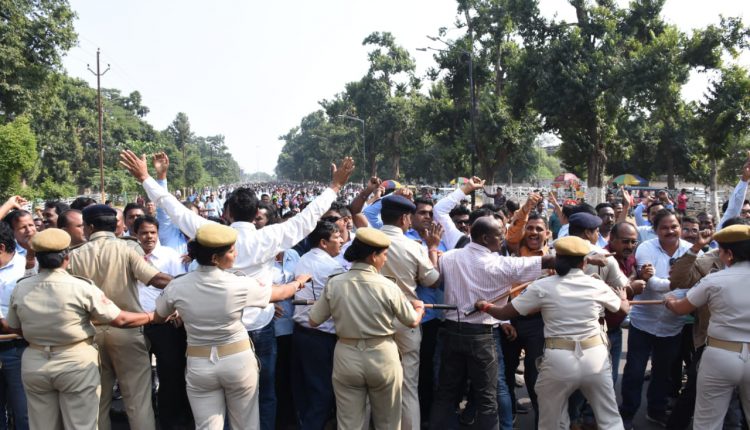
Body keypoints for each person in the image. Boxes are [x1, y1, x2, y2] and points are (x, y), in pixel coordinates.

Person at [154, 223, 307, 429]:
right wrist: (299, 282)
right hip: (238, 362)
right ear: (216, 258)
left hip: (199, 364)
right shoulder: (239, 283)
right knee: (245, 424)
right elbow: (280, 293)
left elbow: (159, 315)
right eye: (232, 251)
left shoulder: (177, 285)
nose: (236, 255)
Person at [5, 228, 154, 430]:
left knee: (42, 424)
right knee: (81, 423)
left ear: (38, 258)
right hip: (74, 359)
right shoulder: (80, 286)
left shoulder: (21, 287)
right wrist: (153, 316)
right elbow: (119, 319)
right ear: (66, 257)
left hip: (35, 360)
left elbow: (14, 327)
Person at [476, 236, 629, 429]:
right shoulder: (597, 284)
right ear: (584, 262)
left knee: (552, 422)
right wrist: (623, 297)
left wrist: (484, 305)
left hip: (558, 359)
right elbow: (622, 310)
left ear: (556, 260)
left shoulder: (543, 286)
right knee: (610, 420)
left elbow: (503, 312)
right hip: (595, 357)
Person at [430, 213, 555, 430]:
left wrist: (432, 250)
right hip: (482, 337)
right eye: (499, 234)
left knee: (446, 392)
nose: (503, 237)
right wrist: (586, 258)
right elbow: (548, 260)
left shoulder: (449, 257)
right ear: (486, 238)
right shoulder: (502, 265)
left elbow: (434, 281)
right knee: (488, 396)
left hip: (452, 333)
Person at [67, 204, 173, 430]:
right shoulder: (128, 249)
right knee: (138, 401)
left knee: (97, 401)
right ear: (114, 225)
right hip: (128, 331)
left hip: (90, 337)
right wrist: (187, 285)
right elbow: (155, 279)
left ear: (90, 226)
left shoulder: (74, 255)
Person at [308, 228, 424, 430]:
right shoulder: (387, 286)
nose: (385, 260)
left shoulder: (335, 283)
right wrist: (419, 308)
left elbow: (314, 320)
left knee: (348, 423)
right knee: (388, 422)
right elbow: (412, 321)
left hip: (346, 355)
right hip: (382, 356)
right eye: (384, 255)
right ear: (373, 256)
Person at [665, 224, 750, 429]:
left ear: (729, 254)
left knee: (707, 422)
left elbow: (680, 308)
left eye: (720, 250)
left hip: (720, 353)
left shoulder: (715, 280)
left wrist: (668, 301)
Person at [619, 208, 694, 428]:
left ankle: (656, 411)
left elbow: (697, 286)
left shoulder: (690, 252)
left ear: (680, 228)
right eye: (664, 227)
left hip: (673, 325)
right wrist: (679, 282)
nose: (670, 231)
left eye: (674, 226)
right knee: (633, 372)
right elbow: (653, 284)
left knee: (663, 374)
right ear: (656, 230)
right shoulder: (646, 248)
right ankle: (627, 415)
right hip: (643, 324)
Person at [379, 194, 441, 430]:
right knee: (407, 385)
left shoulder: (365, 241)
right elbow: (434, 281)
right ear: (405, 218)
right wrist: (433, 249)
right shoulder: (412, 247)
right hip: (406, 319)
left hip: (371, 318)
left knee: (373, 384)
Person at [133, 215, 192, 429]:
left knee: (171, 376)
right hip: (136, 325)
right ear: (135, 234)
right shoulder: (129, 257)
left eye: (152, 232)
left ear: (158, 234)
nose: (149, 237)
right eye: (144, 233)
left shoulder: (171, 256)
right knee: (139, 379)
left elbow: (179, 288)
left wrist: (177, 312)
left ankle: (171, 422)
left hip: (167, 324)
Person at [291, 221, 345, 429]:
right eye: (337, 237)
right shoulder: (333, 267)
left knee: (305, 391)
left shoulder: (302, 259)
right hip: (320, 337)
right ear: (323, 242)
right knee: (321, 392)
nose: (341, 240)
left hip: (301, 334)